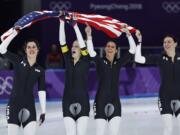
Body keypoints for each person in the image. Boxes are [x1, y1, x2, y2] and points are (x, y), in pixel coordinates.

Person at [85, 24, 136, 135]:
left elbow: (132, 50)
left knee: (114, 132)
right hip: (100, 102)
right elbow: (91, 51)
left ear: (116, 51)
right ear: (105, 49)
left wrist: (128, 34)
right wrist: (89, 36)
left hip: (115, 101)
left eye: (112, 47)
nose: (110, 48)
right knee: (100, 132)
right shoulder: (99, 61)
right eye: (108, 46)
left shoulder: (118, 63)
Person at [0, 29, 46, 135]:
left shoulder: (40, 70)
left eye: (34, 47)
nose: (31, 49)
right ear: (25, 50)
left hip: (30, 106)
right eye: (29, 47)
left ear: (38, 49)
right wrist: (14, 34)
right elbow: (1, 49)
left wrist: (43, 111)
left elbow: (41, 90)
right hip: (13, 107)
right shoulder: (18, 61)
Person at [135, 31, 180, 135]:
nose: (166, 44)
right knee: (168, 128)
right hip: (165, 97)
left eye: (169, 42)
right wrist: (139, 41)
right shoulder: (159, 58)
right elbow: (138, 59)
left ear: (175, 44)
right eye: (164, 42)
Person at [59, 13, 90, 135]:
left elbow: (83, 44)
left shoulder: (86, 60)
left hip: (83, 102)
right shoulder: (67, 58)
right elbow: (62, 41)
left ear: (82, 51)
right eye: (73, 45)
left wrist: (76, 27)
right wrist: (61, 23)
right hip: (67, 101)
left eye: (76, 46)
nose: (74, 47)